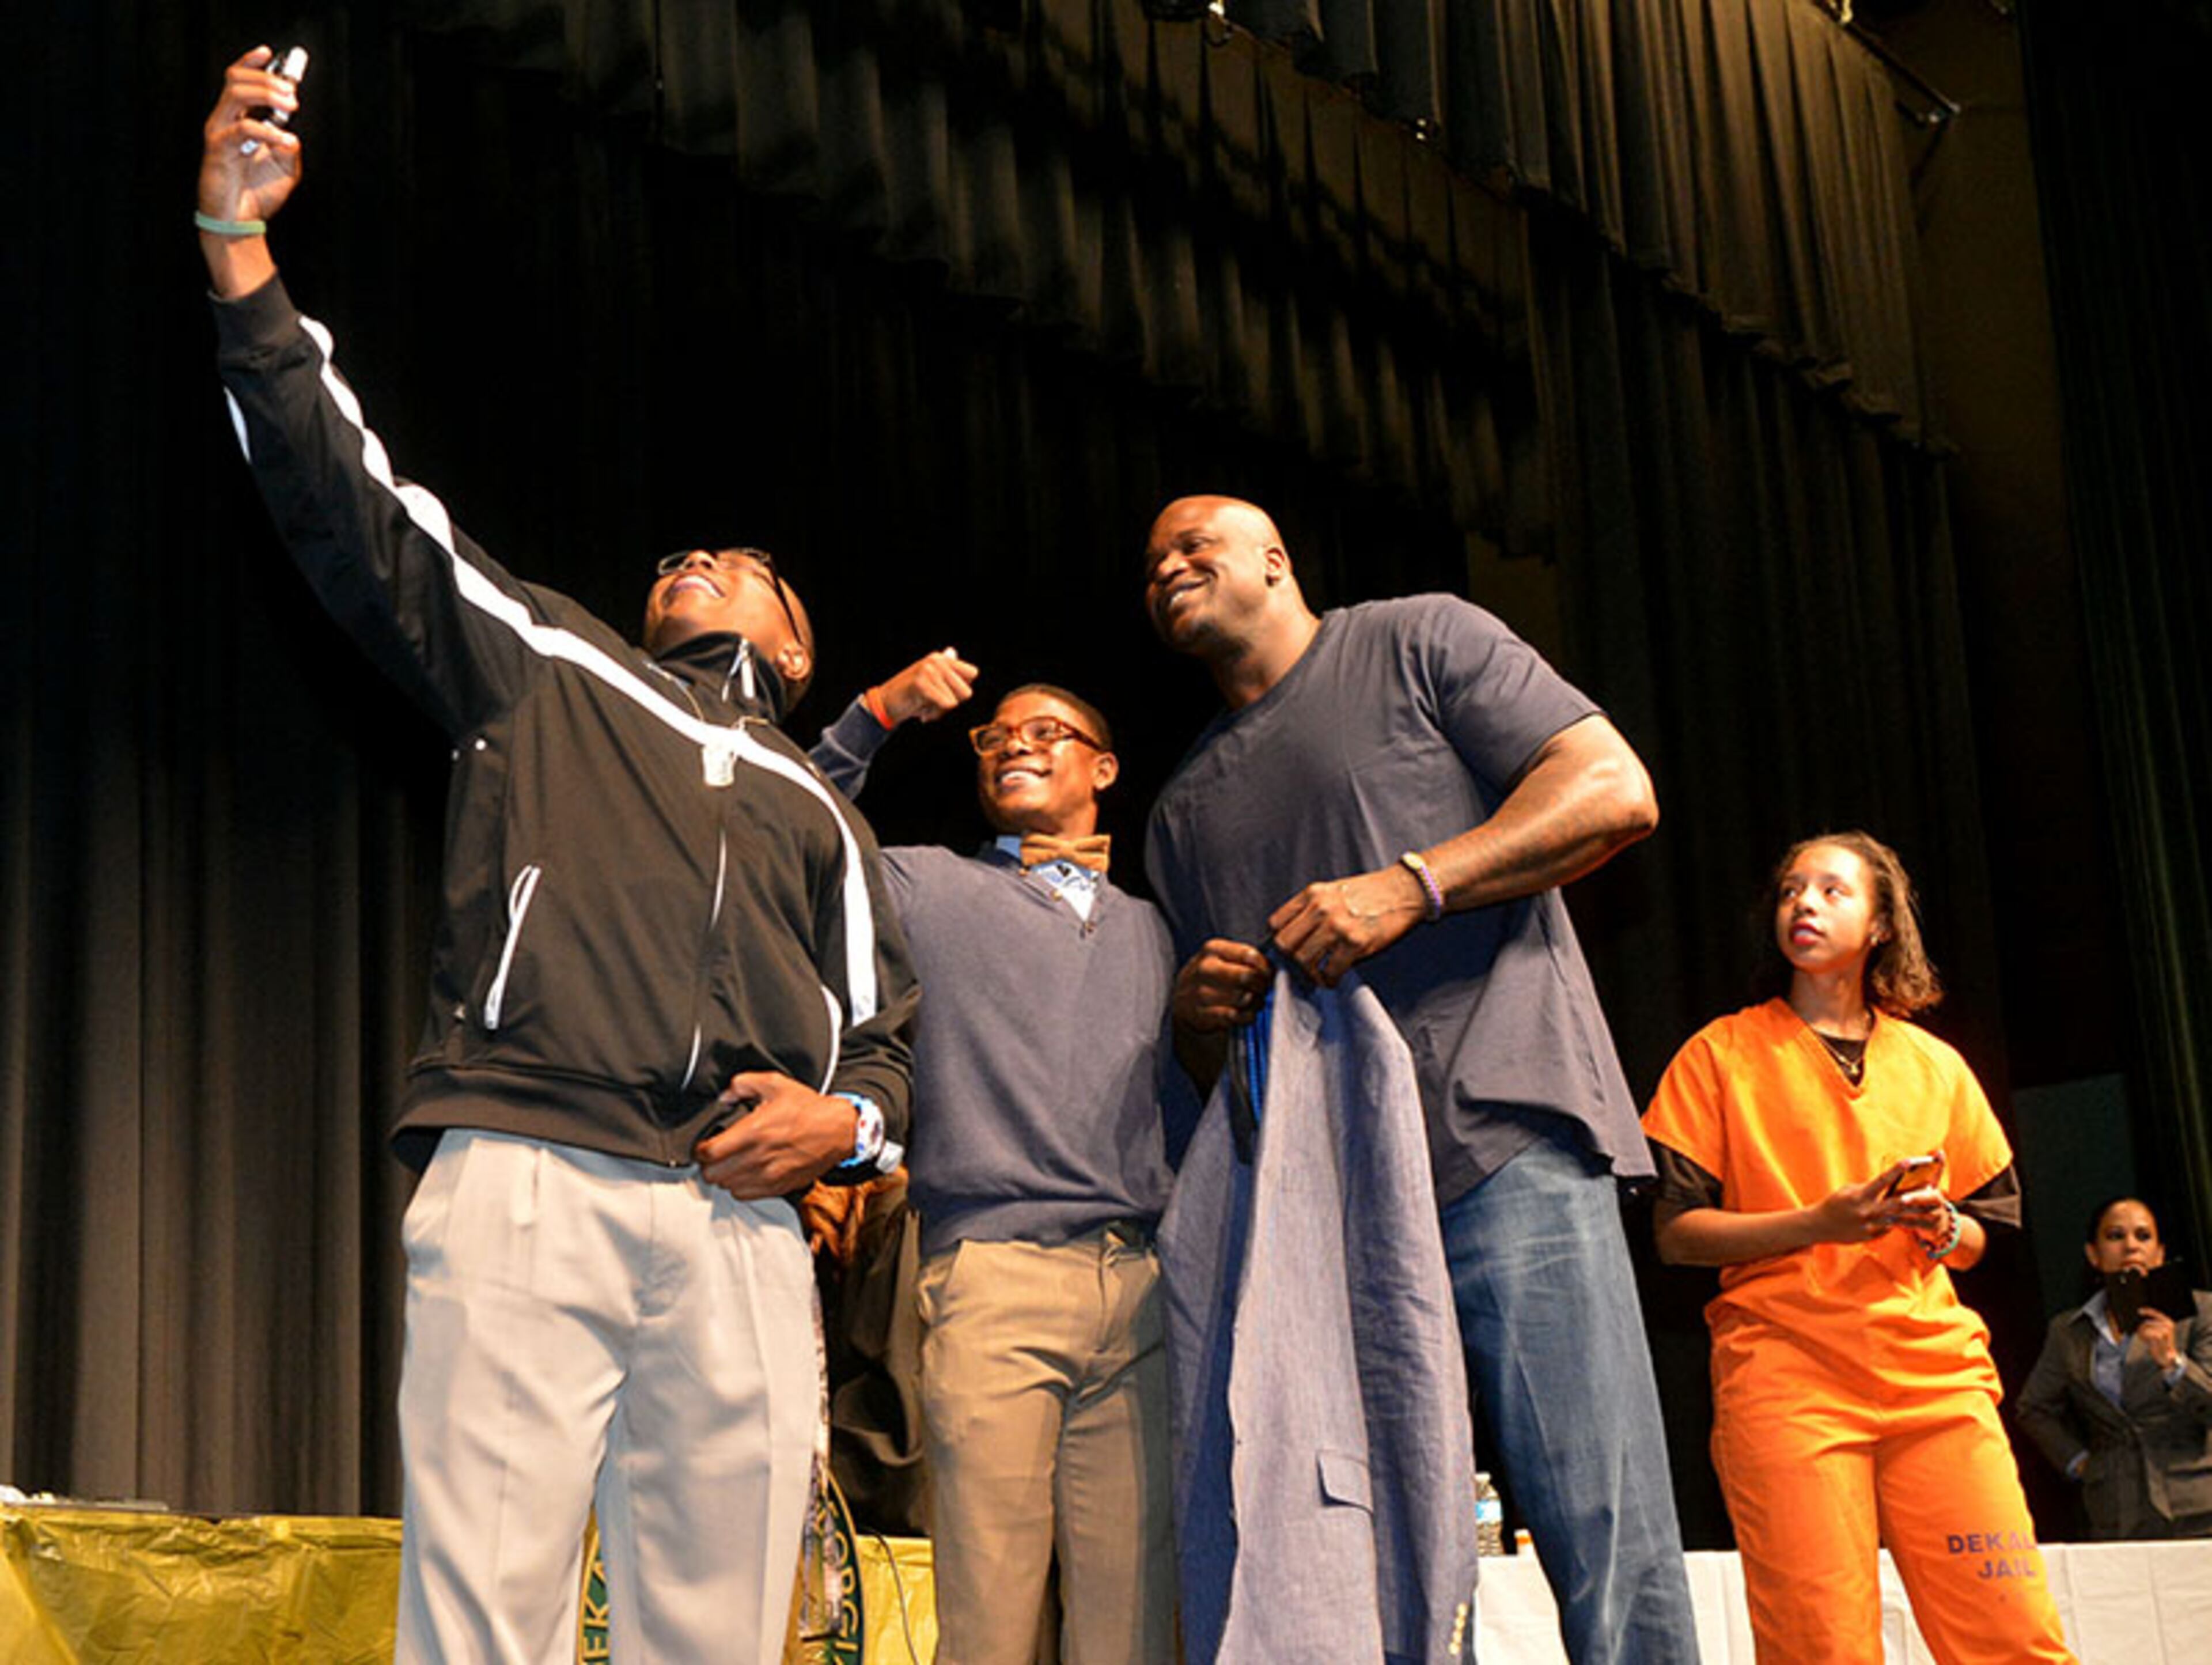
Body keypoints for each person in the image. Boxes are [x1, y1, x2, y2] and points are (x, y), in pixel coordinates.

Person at [198, 50, 918, 1661]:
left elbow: (891, 1046)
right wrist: (239, 254)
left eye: (732, 559)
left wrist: (846, 1125)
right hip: (528, 1164)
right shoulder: (553, 663)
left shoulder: (830, 818)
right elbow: (354, 505)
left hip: (740, 1222)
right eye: (674, 553)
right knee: (483, 1624)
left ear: (797, 643)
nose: (690, 560)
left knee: (719, 1636)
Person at [1141, 495, 1698, 1664]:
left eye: (1196, 545)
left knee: (1604, 1525)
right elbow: (1213, 1084)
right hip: (1329, 1209)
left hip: (1504, 1142)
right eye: (1153, 565)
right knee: (1360, 1550)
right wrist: (1198, 1023)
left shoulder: (1416, 638)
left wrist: (1412, 883)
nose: (1170, 566)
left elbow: (1613, 789)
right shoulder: (1181, 810)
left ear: (1277, 559)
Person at [809, 659, 1186, 1665]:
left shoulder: (1160, 930)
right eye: (995, 734)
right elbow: (790, 822)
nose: (1015, 739)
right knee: (991, 1615)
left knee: (1138, 1622)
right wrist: (875, 717)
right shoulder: (929, 885)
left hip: (1143, 1284)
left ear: (1104, 768)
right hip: (995, 1277)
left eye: (1048, 730)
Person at [1643, 831, 2074, 1664]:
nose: (1804, 903)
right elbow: (1675, 1233)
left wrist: (1943, 1225)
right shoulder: (1720, 1053)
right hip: (1787, 1380)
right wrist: (1820, 1223)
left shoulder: (1935, 1063)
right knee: (1820, 1647)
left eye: (1834, 891)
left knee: (2013, 1634)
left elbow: (1992, 1231)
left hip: (1936, 1380)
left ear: (1881, 924)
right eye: (1790, 890)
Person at [2017, 1197, 2212, 1539]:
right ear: (2094, 1255)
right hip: (2117, 1508)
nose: (2131, 1246)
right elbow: (2034, 1408)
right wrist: (2080, 1463)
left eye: (2143, 1236)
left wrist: (2173, 1362)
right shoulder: (2070, 1330)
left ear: (2160, 1252)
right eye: (2116, 1236)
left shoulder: (2200, 1313)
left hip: (2197, 1499)